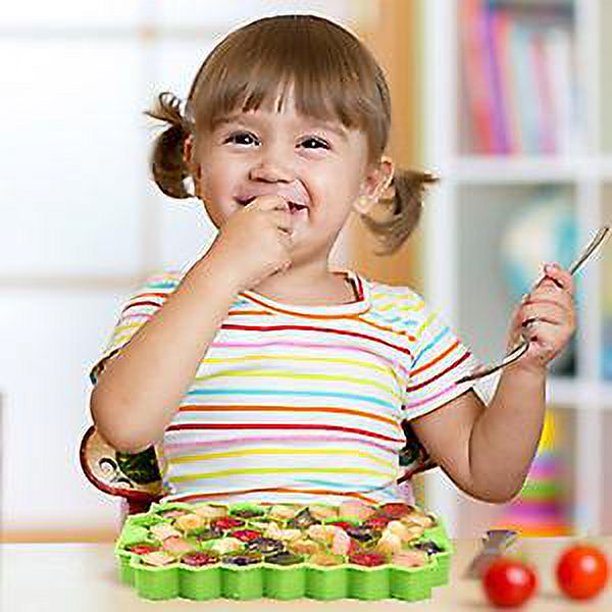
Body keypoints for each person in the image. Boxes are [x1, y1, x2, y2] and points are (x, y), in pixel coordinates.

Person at [89, 14, 576, 509]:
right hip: (207, 577)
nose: (273, 167)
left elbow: (488, 473)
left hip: (359, 580)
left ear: (369, 183)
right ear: (196, 160)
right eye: (243, 138)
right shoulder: (167, 304)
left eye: (312, 144)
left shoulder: (401, 323)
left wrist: (527, 371)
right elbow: (126, 426)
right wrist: (222, 270)